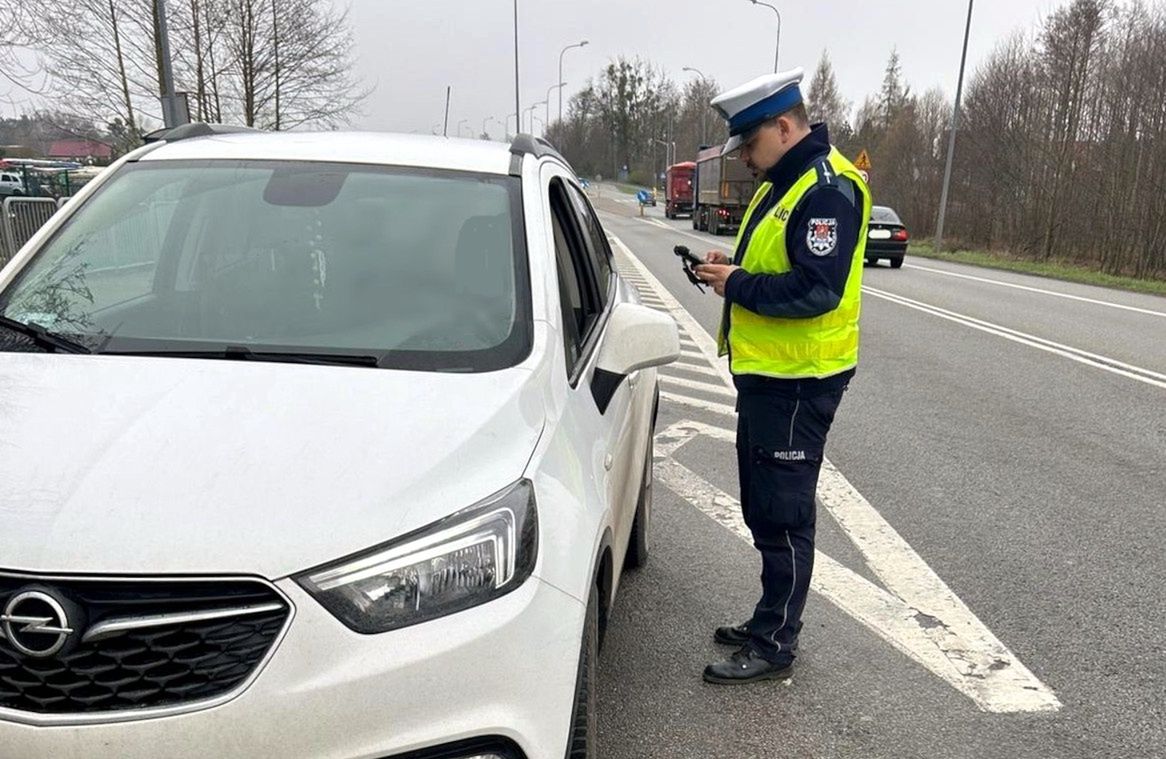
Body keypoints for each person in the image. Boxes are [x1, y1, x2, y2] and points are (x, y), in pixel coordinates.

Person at [693, 69, 872, 684]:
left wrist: (738, 285)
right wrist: (731, 267)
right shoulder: (786, 182)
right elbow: (781, 262)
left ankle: (775, 643)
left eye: (749, 143)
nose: (744, 156)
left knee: (783, 513)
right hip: (771, 377)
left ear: (785, 126)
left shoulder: (826, 190)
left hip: (801, 380)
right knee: (766, 508)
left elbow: (816, 289)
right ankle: (769, 618)